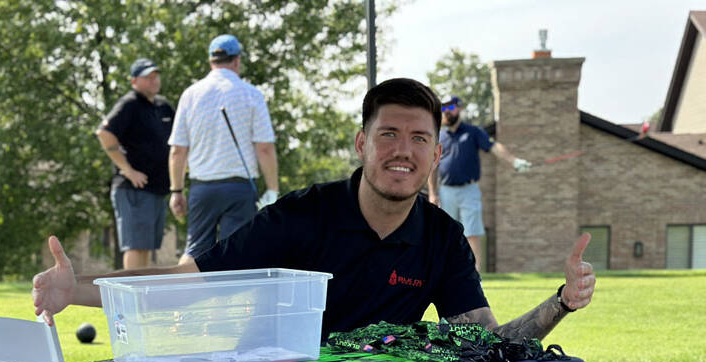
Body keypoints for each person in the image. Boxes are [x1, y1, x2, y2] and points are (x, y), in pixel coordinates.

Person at [33, 78, 594, 344]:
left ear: (436, 153)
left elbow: (483, 346)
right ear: (361, 143)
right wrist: (73, 287)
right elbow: (187, 281)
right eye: (389, 135)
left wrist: (562, 303)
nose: (403, 151)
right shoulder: (303, 215)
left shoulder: (442, 238)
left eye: (420, 139)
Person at [168, 34, 279, 258]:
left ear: (211, 61)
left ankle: (182, 294)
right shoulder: (252, 94)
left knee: (195, 252)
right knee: (235, 255)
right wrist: (273, 190)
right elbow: (264, 148)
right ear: (237, 60)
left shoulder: (190, 95)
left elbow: (178, 150)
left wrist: (176, 191)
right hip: (239, 188)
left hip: (202, 188)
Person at [428, 95, 531, 271]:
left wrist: (514, 161)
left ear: (459, 108)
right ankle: (445, 275)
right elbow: (432, 167)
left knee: (472, 232)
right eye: (443, 109)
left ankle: (474, 277)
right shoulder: (439, 136)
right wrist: (432, 192)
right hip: (445, 191)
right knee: (445, 233)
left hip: (469, 189)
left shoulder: (473, 132)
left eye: (450, 107)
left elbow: (494, 147)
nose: (446, 112)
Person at [96, 58, 175, 270]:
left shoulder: (163, 106)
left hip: (156, 189)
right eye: (148, 77)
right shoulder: (129, 104)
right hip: (134, 189)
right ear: (134, 81)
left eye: (155, 76)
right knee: (135, 246)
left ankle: (142, 299)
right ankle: (132, 301)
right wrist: (128, 170)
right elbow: (104, 134)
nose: (154, 81)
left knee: (146, 247)